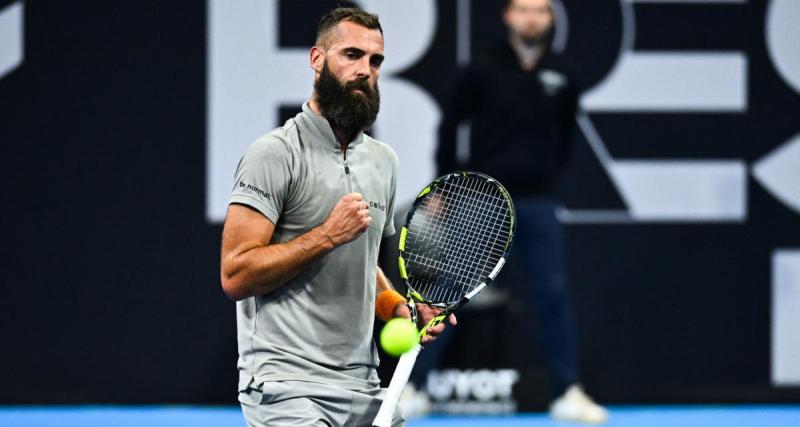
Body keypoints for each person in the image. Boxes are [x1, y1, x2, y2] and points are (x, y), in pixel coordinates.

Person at [219, 8, 453, 427]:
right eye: (351, 54)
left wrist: (399, 309)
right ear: (317, 59)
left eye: (375, 60)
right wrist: (327, 235)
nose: (365, 69)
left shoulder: (384, 161)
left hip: (362, 386)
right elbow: (236, 275)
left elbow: (366, 268)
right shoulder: (273, 153)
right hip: (286, 388)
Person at [403, 0, 609, 423]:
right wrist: (444, 184)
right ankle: (413, 386)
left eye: (541, 11)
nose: (532, 18)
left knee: (552, 296)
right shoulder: (481, 68)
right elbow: (449, 125)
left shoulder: (563, 73)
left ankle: (566, 392)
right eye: (524, 9)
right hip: (484, 199)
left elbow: (566, 134)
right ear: (508, 16)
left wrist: (546, 176)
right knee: (447, 293)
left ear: (551, 20)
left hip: (538, 200)